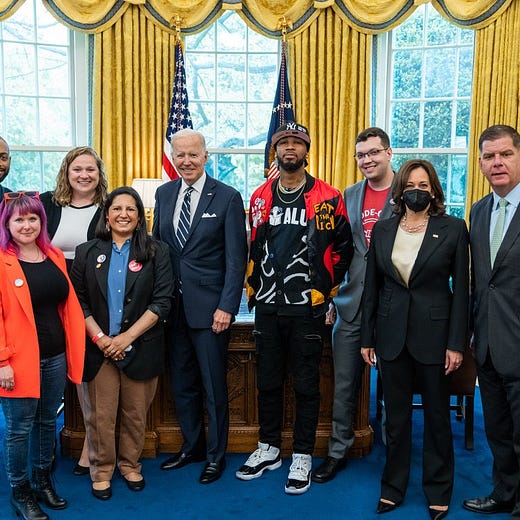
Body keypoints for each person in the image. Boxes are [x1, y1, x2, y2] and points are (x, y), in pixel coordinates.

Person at [237, 121, 353, 495]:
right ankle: (268, 448)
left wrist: (326, 290)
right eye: (283, 142)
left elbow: (343, 248)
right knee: (268, 380)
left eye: (296, 142)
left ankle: (302, 454)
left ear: (306, 150)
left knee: (305, 383)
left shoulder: (328, 197)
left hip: (307, 307)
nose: (290, 147)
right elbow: (253, 245)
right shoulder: (259, 196)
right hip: (268, 304)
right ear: (275, 151)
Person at [360, 159, 469, 519]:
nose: (416, 191)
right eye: (410, 185)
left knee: (437, 418)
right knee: (396, 420)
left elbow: (462, 292)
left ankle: (438, 490)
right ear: (400, 190)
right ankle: (393, 488)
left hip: (435, 339)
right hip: (391, 336)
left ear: (434, 190)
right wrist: (367, 337)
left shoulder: (453, 229)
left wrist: (456, 343)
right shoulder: (383, 229)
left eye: (423, 186)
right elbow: (372, 288)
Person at [153, 128, 247, 484]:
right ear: (173, 157)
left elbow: (236, 260)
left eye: (193, 154)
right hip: (171, 310)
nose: (186, 161)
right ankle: (191, 447)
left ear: (206, 156)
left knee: (212, 387)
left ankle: (215, 456)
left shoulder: (227, 197)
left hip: (210, 311)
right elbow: (159, 250)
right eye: (180, 154)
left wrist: (227, 306)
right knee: (182, 384)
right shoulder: (164, 194)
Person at [70, 186, 173, 500]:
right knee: (100, 417)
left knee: (135, 415)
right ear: (107, 215)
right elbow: (77, 302)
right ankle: (102, 471)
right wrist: (101, 339)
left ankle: (130, 465)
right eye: (117, 209)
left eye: (131, 209)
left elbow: (162, 301)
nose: (123, 215)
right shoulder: (87, 251)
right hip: (98, 349)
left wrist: (126, 338)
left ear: (140, 217)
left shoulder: (156, 251)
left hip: (141, 347)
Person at [312, 127, 395, 484]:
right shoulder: (349, 194)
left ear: (389, 153)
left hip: (393, 305)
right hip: (351, 303)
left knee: (394, 388)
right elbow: (340, 250)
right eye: (361, 155)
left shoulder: (406, 190)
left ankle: (395, 454)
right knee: (343, 386)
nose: (367, 160)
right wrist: (332, 295)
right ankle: (337, 451)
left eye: (374, 152)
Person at [0, 192, 85, 520]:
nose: (26, 225)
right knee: (19, 429)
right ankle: (19, 491)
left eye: (32, 218)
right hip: (17, 360)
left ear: (42, 221)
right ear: (7, 224)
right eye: (19, 219)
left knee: (47, 421)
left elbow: (65, 305)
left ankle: (41, 481)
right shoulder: (3, 261)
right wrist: (2, 362)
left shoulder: (53, 255)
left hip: (54, 356)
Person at [463, 125, 520, 517]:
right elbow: (479, 280)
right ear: (481, 163)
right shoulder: (479, 210)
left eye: (506, 154)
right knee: (498, 431)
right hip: (486, 343)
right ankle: (505, 493)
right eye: (489, 156)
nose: (497, 162)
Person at [41, 146, 108, 476]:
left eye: (90, 169)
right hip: (47, 298)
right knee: (49, 372)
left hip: (89, 299)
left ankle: (90, 448)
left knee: (86, 374)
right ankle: (45, 445)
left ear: (99, 173)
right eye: (77, 169)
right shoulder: (46, 203)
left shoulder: (109, 207)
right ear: (66, 172)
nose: (84, 175)